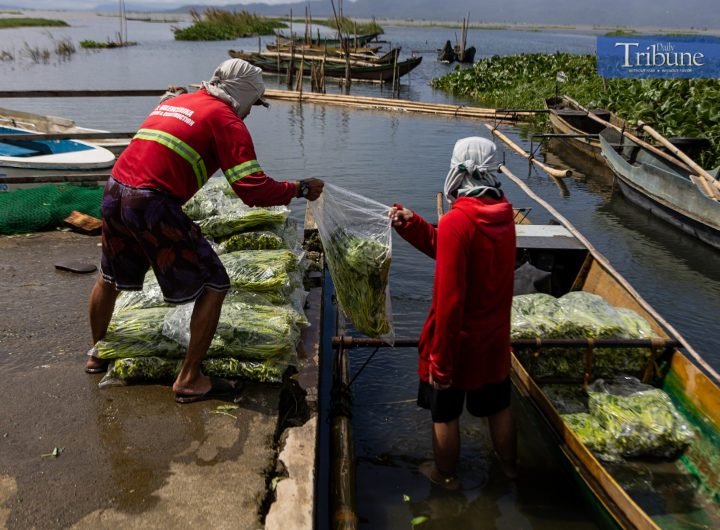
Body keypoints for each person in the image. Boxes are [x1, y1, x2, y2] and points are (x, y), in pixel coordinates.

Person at [84, 58, 324, 403]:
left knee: (108, 277)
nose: (250, 112)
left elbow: (162, 127)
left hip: (115, 189)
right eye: (253, 103)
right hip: (152, 202)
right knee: (215, 283)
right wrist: (299, 188)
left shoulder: (179, 103)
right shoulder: (225, 119)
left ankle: (97, 354)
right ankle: (190, 378)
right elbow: (251, 188)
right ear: (243, 94)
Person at [389, 136, 517, 489]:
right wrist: (412, 224)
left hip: (457, 342)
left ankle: (444, 476)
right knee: (498, 406)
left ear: (457, 170)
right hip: (492, 338)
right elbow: (456, 255)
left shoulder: (456, 222)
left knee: (444, 414)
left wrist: (440, 363)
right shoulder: (503, 214)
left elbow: (449, 302)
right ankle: (509, 470)